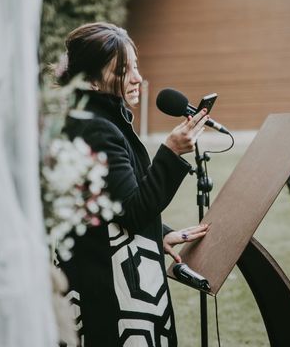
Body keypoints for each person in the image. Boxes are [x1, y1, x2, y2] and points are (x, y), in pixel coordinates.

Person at [56, 22, 210, 346]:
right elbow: (131, 210)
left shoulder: (99, 119)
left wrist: (160, 234)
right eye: (124, 70)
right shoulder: (99, 129)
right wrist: (170, 152)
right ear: (94, 81)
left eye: (135, 66)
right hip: (110, 288)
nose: (137, 78)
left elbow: (109, 202)